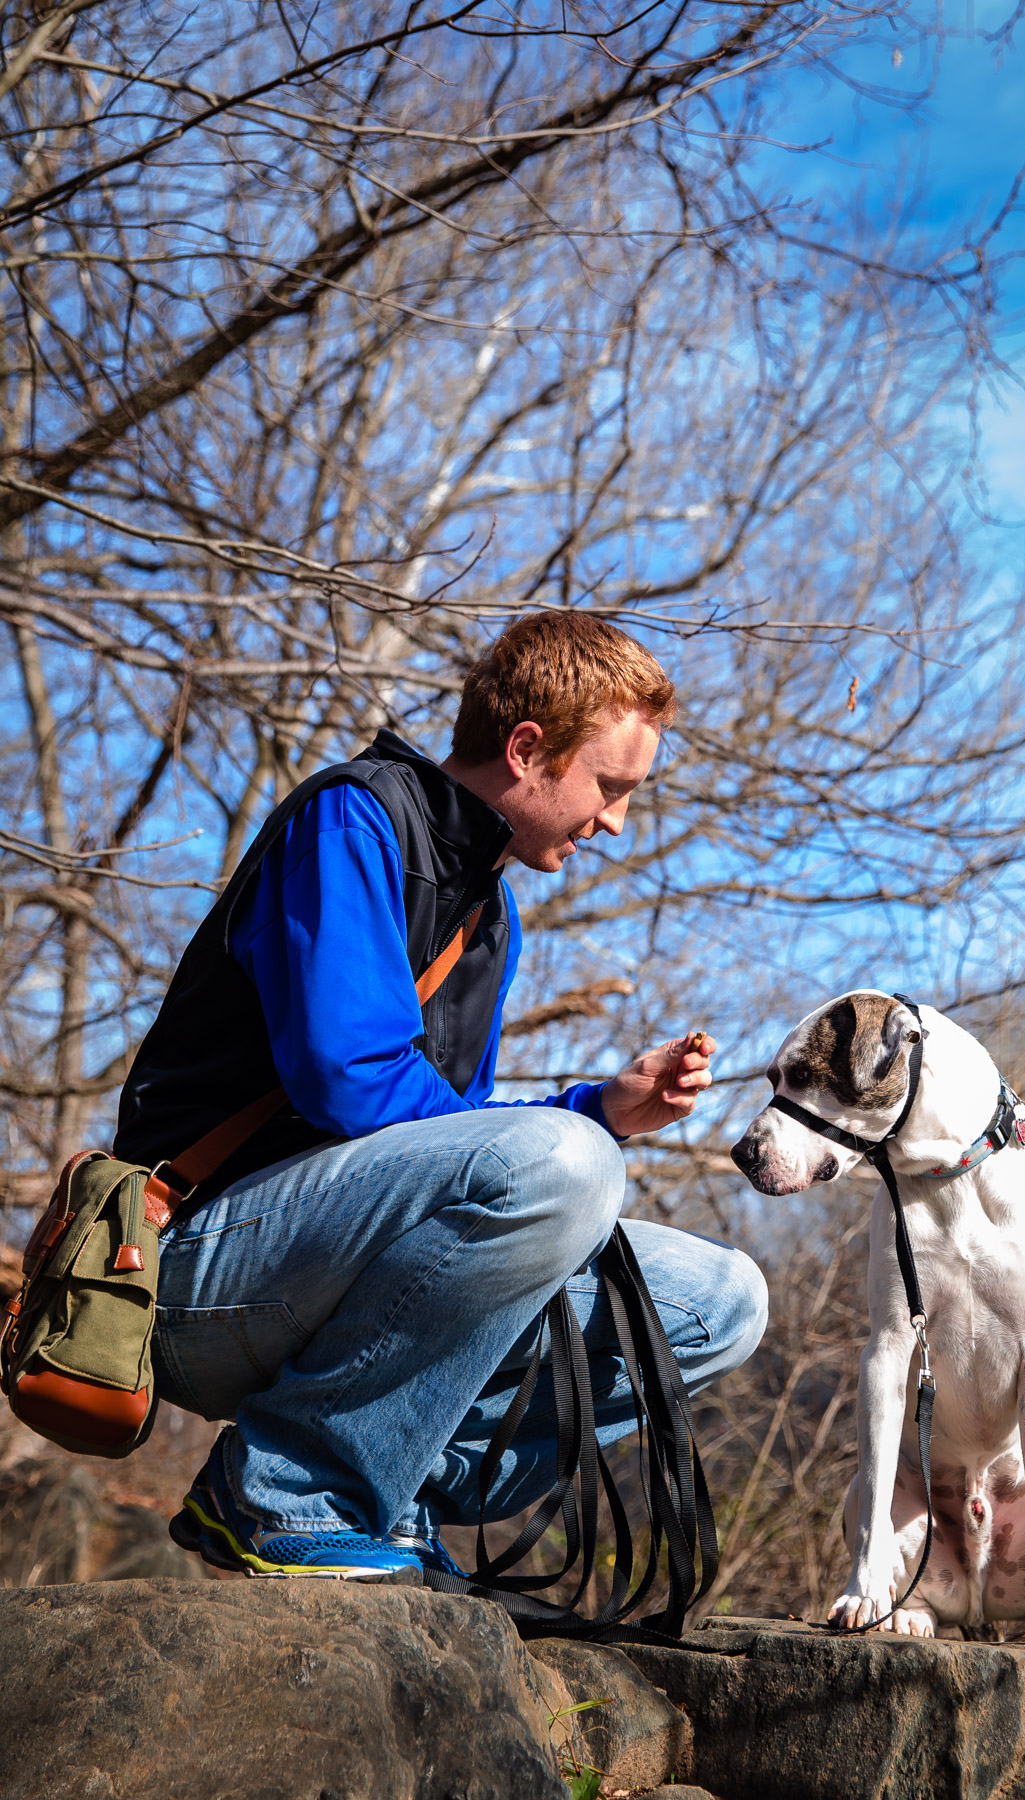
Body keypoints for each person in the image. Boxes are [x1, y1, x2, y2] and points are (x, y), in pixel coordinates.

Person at [114, 610, 768, 1580]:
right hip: (191, 1269)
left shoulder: (489, 912)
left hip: (330, 1267)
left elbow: (452, 1168)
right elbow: (353, 1079)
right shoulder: (352, 818)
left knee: (720, 1302)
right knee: (563, 1165)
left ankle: (394, 1485)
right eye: (611, 786)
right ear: (527, 749)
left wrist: (600, 1113)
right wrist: (568, 1141)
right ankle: (282, 1493)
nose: (618, 822)